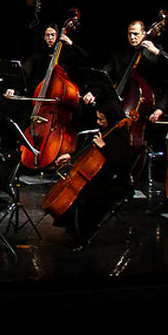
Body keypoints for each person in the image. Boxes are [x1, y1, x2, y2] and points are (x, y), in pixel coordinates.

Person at [50, 98, 133, 250]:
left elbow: (123, 163)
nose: (98, 122)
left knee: (86, 196)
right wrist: (71, 156)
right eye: (97, 118)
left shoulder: (121, 135)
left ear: (111, 117)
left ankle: (84, 236)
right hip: (100, 178)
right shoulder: (106, 130)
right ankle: (74, 228)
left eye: (101, 119)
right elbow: (90, 149)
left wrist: (104, 147)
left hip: (116, 181)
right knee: (80, 192)